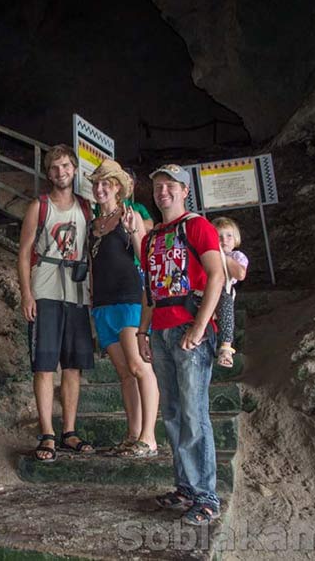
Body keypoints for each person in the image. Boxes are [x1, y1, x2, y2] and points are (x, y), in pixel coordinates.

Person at [137, 164, 225, 526]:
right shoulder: (151, 238)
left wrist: (201, 326)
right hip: (160, 329)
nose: (164, 192)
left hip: (190, 327)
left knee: (193, 413)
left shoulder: (197, 226)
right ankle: (185, 487)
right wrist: (143, 333)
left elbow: (217, 274)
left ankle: (206, 497)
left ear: (185, 190)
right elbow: (149, 291)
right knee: (172, 413)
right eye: (158, 186)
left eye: (171, 186)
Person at [17, 144, 96, 462]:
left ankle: (70, 432)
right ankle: (47, 433)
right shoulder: (40, 206)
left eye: (65, 166)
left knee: (73, 365)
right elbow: (23, 252)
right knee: (45, 364)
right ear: (47, 173)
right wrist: (26, 293)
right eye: (54, 168)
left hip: (77, 291)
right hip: (46, 287)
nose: (60, 172)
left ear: (74, 169)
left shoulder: (86, 207)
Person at [87, 160, 159, 458]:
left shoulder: (129, 216)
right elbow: (92, 266)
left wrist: (133, 232)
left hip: (130, 298)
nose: (100, 188)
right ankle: (133, 435)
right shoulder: (93, 225)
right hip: (103, 304)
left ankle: (149, 437)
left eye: (107, 183)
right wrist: (92, 300)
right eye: (97, 184)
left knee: (139, 366)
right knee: (124, 373)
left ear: (118, 187)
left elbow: (145, 256)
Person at [211, 217, 249, 368]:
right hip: (205, 292)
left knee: (226, 306)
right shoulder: (208, 256)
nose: (224, 240)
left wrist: (222, 256)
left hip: (223, 291)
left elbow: (239, 274)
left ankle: (226, 348)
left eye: (229, 236)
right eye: (219, 236)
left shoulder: (236, 256)